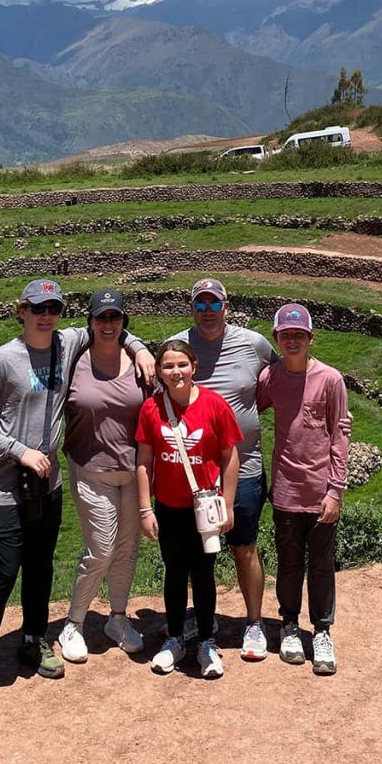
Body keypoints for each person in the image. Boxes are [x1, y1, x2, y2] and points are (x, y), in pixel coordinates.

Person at [0, 279, 154, 707]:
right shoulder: (1, 360)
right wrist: (19, 451)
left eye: (54, 307)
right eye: (38, 308)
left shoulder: (67, 344)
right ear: (21, 312)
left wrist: (139, 349)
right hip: (4, 486)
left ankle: (33, 637)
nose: (46, 315)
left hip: (47, 485)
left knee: (41, 566)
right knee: (4, 572)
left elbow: (114, 326)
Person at [168, 279, 278, 661]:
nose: (208, 312)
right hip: (192, 475)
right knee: (196, 555)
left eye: (215, 305)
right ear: (191, 307)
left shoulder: (254, 344)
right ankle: (203, 618)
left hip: (244, 467)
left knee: (244, 548)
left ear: (227, 307)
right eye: (201, 305)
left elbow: (276, 381)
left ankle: (253, 623)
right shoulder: (177, 346)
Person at [136, 339, 241, 679]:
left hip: (204, 506)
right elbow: (144, 461)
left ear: (194, 366)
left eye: (181, 364)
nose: (175, 372)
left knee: (203, 572)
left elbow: (229, 456)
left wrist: (227, 502)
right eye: (168, 366)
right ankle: (176, 638)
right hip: (169, 505)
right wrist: (144, 508)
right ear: (160, 372)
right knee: (174, 572)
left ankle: (207, 641)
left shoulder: (213, 405)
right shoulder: (151, 408)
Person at [257, 302, 351, 675]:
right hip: (285, 489)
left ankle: (323, 630)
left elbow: (341, 434)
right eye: (286, 335)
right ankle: (290, 624)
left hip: (320, 491)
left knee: (323, 564)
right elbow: (249, 409)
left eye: (299, 335)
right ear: (277, 339)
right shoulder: (271, 378)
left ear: (311, 338)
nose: (292, 340)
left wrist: (335, 490)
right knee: (289, 563)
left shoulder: (330, 379)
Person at [58, 289, 150, 663]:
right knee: (101, 548)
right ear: (90, 321)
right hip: (90, 468)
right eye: (101, 318)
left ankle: (117, 617)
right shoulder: (74, 360)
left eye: (115, 318)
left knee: (128, 549)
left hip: (132, 471)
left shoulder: (140, 361)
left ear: (124, 321)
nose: (108, 324)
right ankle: (74, 623)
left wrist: (141, 347)